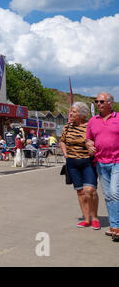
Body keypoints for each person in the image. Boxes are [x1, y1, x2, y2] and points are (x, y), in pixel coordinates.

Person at [60, 102, 100, 230]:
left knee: (90, 191)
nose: (70, 114)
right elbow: (62, 141)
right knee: (80, 192)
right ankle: (86, 219)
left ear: (82, 114)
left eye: (74, 112)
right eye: (71, 111)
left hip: (88, 162)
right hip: (72, 163)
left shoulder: (90, 125)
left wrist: (93, 148)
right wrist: (66, 154)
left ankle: (95, 218)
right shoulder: (68, 126)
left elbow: (97, 141)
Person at [86, 92, 119, 241]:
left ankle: (116, 226)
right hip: (100, 162)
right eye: (96, 101)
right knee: (108, 196)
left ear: (110, 103)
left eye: (101, 101)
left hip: (117, 161)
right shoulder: (93, 121)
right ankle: (114, 226)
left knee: (114, 193)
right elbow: (88, 139)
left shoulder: (118, 118)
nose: (98, 104)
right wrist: (89, 145)